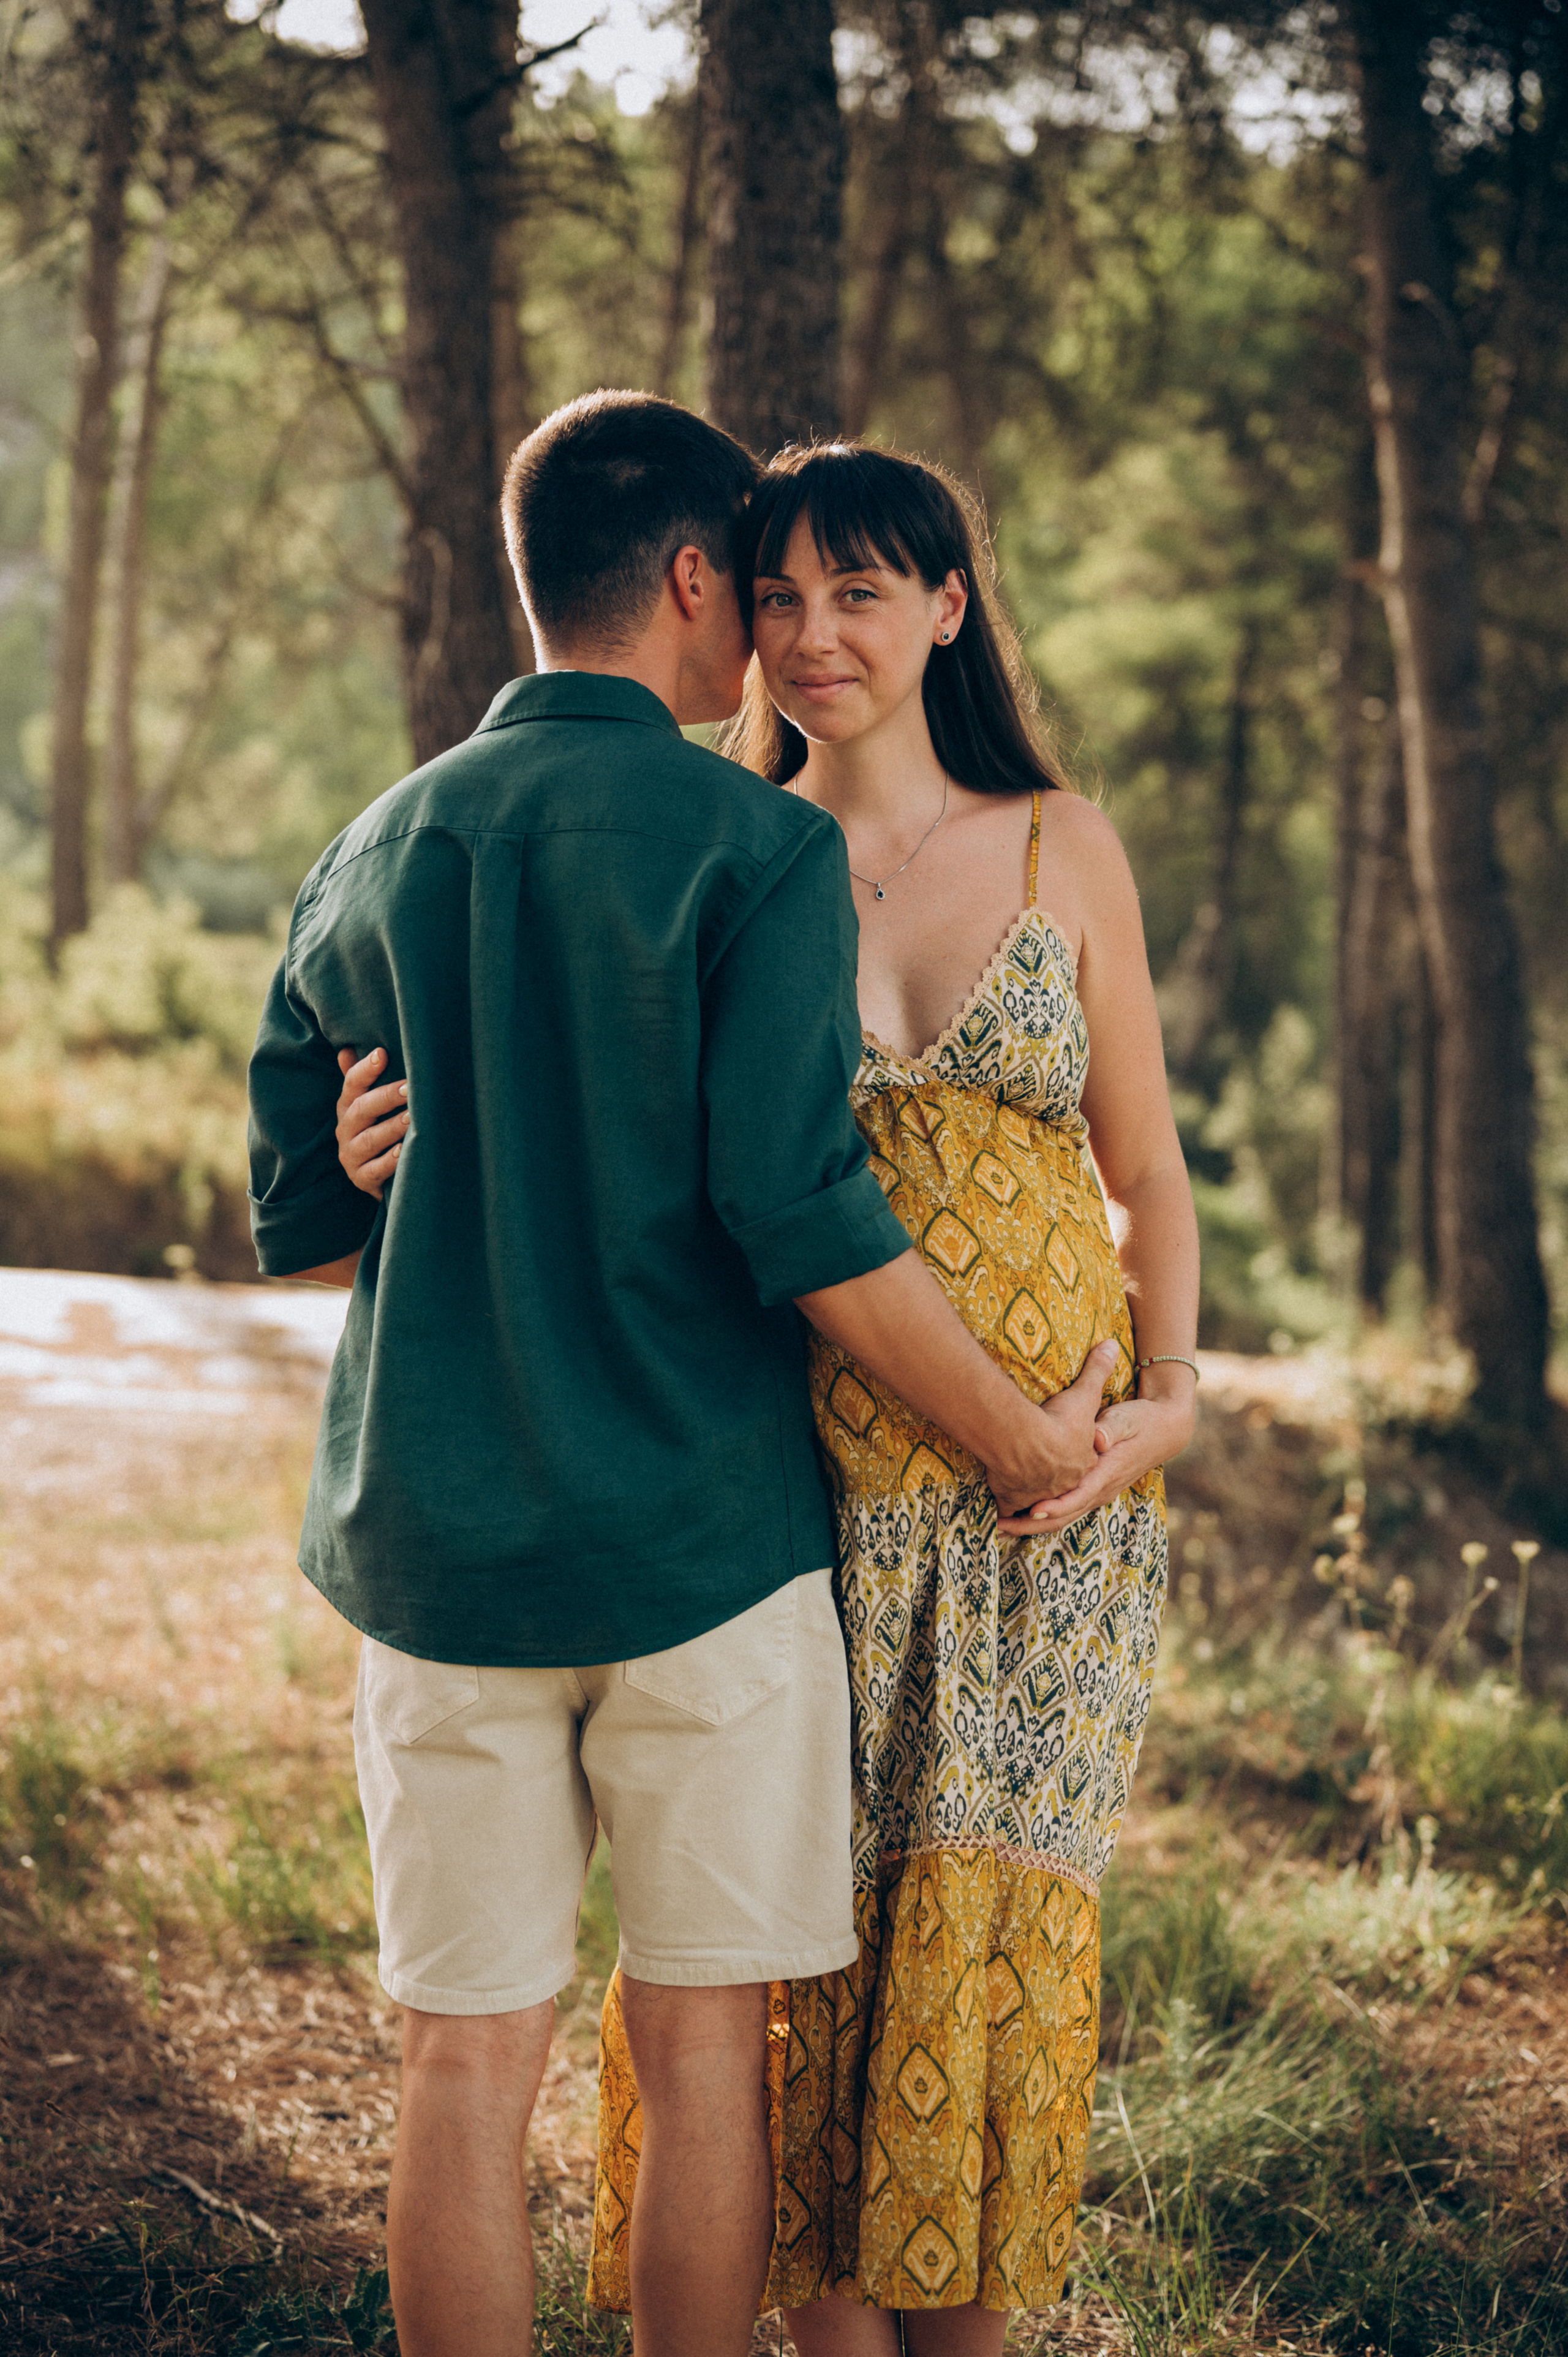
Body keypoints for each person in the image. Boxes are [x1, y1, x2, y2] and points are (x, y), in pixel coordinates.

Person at [254, 393, 1122, 2357]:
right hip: (704, 1558)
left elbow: (303, 1222)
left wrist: (397, 1153)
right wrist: (1018, 1438)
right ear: (688, 579)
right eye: (756, 582)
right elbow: (793, 1208)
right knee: (706, 2054)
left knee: (461, 2070)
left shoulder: (368, 849)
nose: (780, 632)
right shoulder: (751, 846)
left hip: (440, 1558)